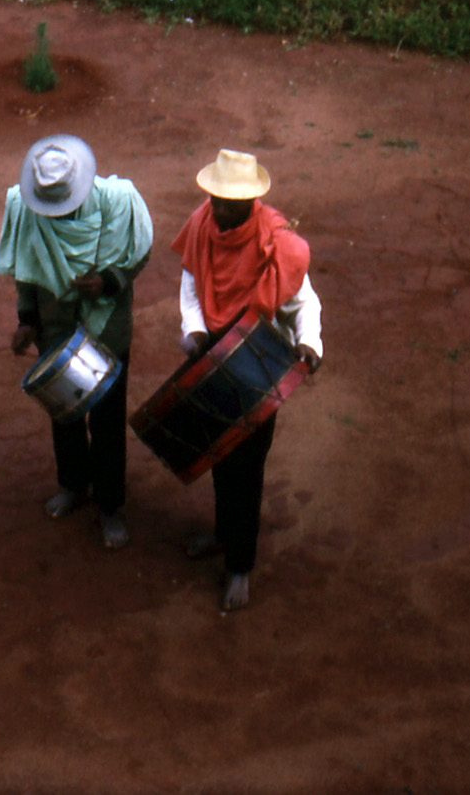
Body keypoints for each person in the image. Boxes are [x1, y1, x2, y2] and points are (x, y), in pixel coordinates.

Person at [171, 149, 323, 611]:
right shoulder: (201, 225)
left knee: (247, 468)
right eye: (215, 199)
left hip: (259, 361)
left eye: (229, 203)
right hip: (214, 357)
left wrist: (310, 345)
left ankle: (240, 567)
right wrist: (194, 330)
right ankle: (222, 534)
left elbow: (304, 302)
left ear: (251, 202)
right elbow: (191, 285)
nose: (219, 210)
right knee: (219, 454)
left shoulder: (276, 243)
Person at [0, 135, 153, 549]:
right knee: (63, 414)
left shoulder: (119, 202)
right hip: (55, 327)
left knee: (106, 420)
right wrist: (27, 319)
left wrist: (108, 281)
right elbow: (26, 269)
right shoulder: (24, 208)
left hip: (107, 330)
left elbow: (137, 256)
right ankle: (74, 484)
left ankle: (110, 505)